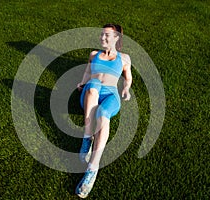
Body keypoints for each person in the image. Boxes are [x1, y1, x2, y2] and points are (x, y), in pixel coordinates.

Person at [75, 24, 132, 198]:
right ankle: (87, 138)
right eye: (102, 34)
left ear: (116, 38)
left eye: (107, 35)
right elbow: (87, 71)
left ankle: (92, 169)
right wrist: (82, 83)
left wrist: (126, 89)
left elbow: (128, 78)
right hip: (90, 92)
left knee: (103, 115)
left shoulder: (124, 58)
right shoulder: (94, 54)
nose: (103, 38)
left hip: (111, 95)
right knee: (94, 85)